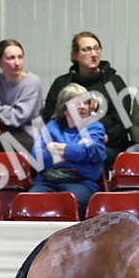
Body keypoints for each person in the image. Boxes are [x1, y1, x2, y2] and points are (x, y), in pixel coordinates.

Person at [42, 31, 131, 165]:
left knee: (91, 156)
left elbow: (124, 121)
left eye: (96, 49)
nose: (94, 54)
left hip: (105, 144)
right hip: (67, 144)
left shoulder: (113, 82)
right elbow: (49, 118)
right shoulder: (62, 84)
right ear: (75, 56)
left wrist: (104, 137)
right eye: (87, 50)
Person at [28, 83, 107, 218]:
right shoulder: (51, 127)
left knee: (71, 202)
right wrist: (76, 152)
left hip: (81, 182)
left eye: (85, 103)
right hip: (47, 181)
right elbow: (36, 157)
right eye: (77, 103)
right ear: (64, 110)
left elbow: (91, 152)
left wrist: (56, 148)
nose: (82, 107)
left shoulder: (94, 127)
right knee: (30, 201)